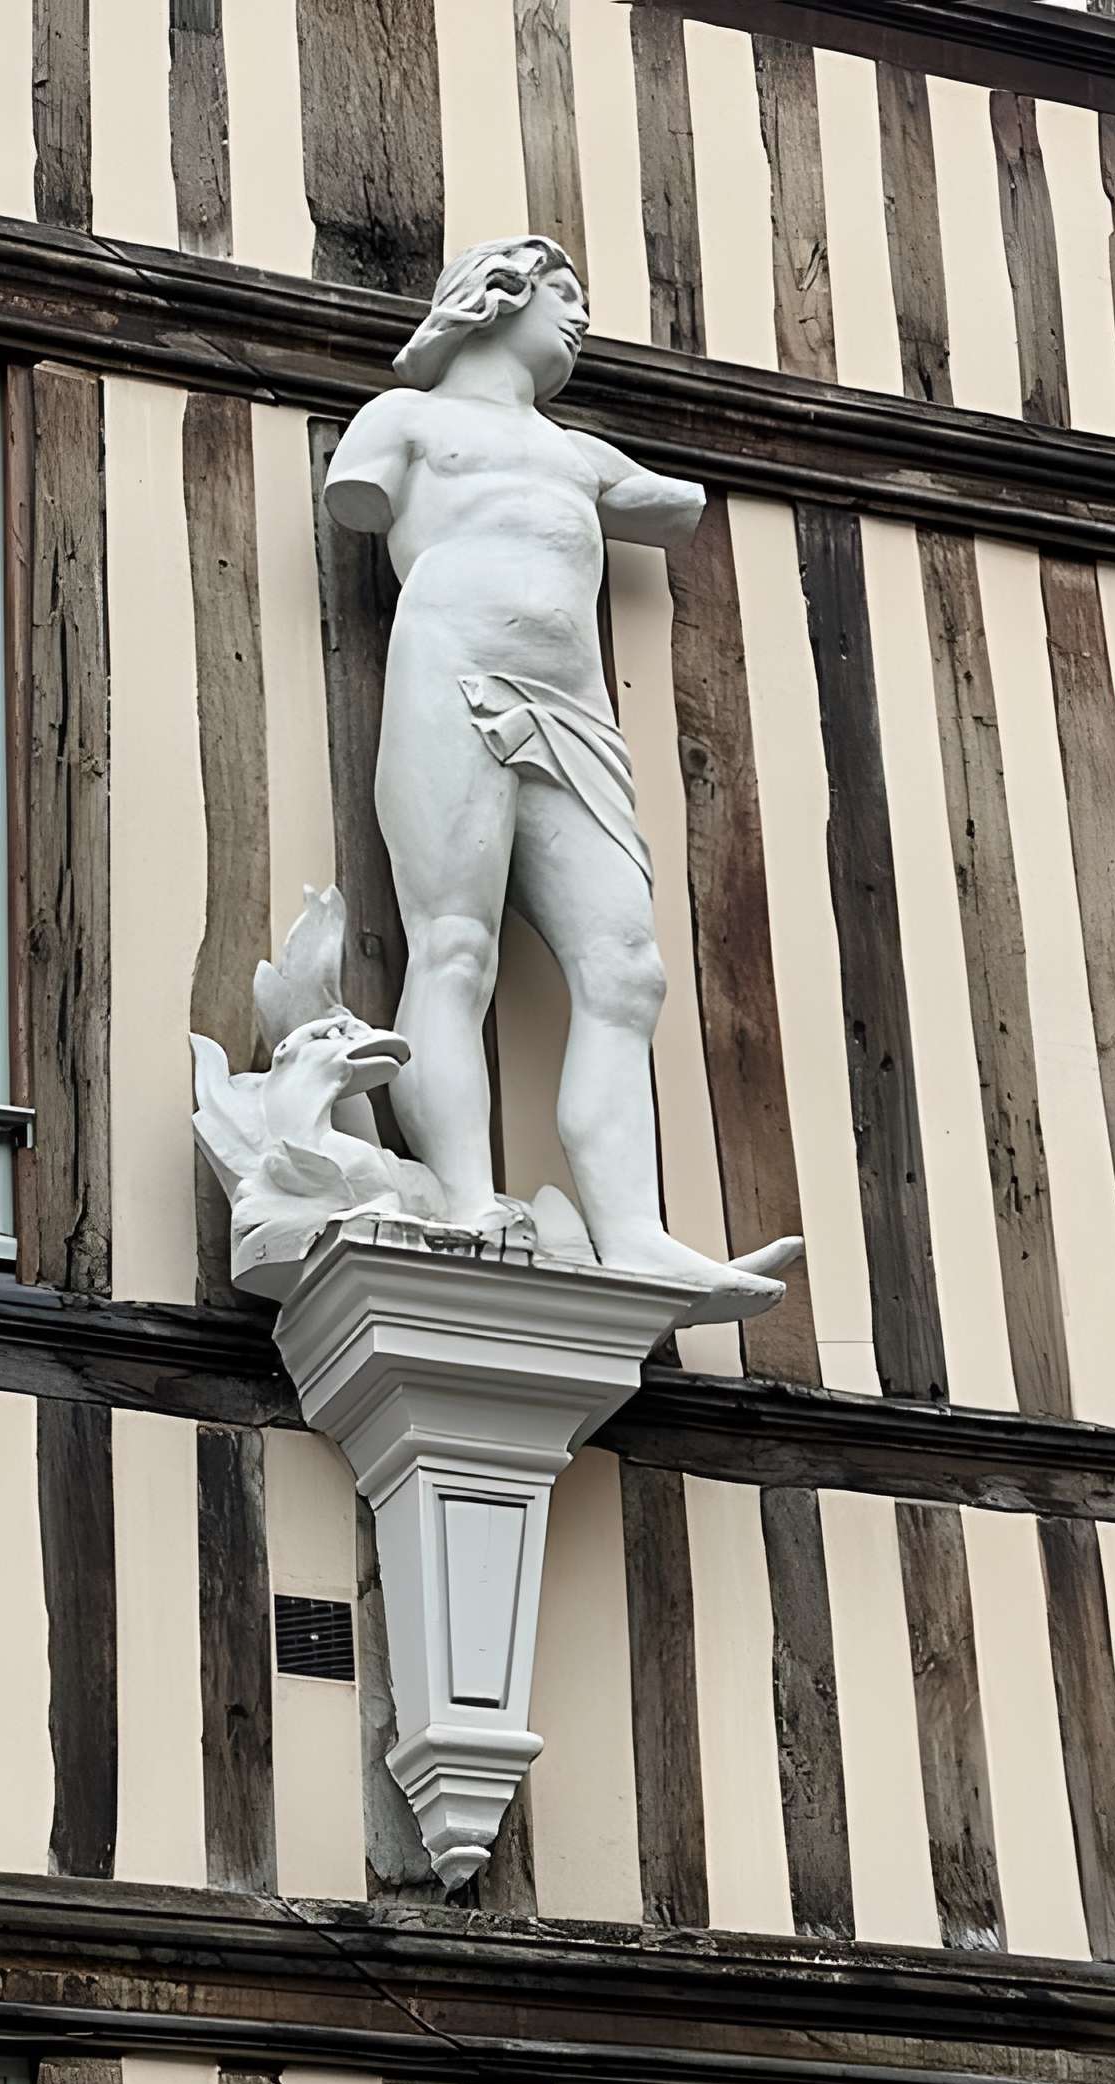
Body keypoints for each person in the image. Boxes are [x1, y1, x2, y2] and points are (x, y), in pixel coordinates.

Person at [324, 235, 798, 1318]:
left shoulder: (582, 456)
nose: (581, 317)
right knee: (454, 942)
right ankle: (465, 1198)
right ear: (497, 300)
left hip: (574, 710)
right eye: (565, 294)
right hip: (453, 677)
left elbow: (675, 503)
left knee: (627, 968)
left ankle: (630, 1229)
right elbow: (357, 493)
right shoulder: (404, 424)